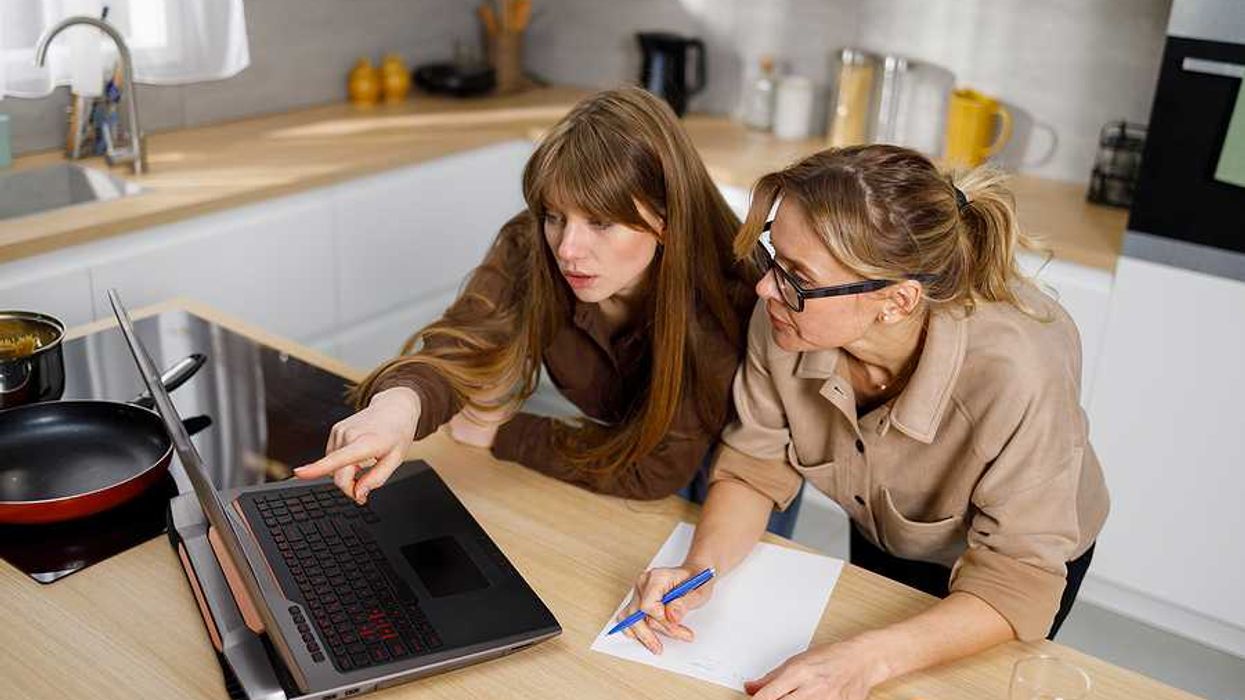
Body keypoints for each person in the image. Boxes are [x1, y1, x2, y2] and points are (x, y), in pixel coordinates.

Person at [617, 145, 1110, 699]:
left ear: (897, 301)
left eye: (798, 276)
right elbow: (755, 467)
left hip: (1013, 560)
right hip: (887, 520)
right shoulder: (785, 317)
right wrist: (698, 570)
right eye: (774, 257)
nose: (764, 288)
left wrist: (866, 660)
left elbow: (1015, 581)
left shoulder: (1019, 370)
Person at [295, 86, 758, 508]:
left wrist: (504, 431)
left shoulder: (725, 297)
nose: (568, 250)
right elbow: (467, 341)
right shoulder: (534, 243)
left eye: (600, 222)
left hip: (738, 470)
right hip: (623, 451)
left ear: (666, 220)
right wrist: (398, 407)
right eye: (555, 216)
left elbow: (655, 469)